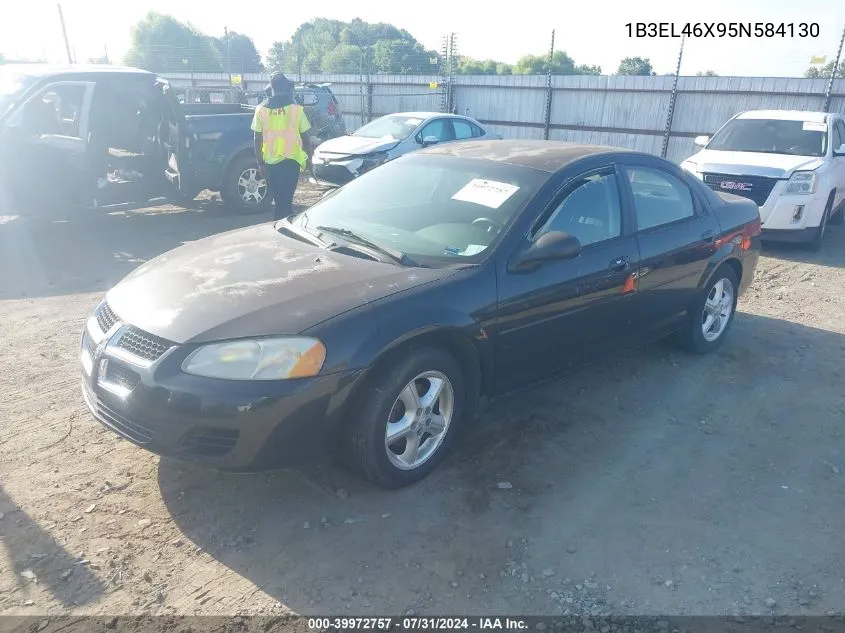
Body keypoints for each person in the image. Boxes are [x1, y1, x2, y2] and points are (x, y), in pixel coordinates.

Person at [251, 72, 313, 220]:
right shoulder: (296, 110)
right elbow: (306, 136)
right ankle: (282, 228)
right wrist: (309, 159)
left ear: (271, 88)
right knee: (285, 202)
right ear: (286, 88)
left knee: (279, 200)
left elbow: (257, 138)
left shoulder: (261, 110)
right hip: (292, 161)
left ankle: (282, 225)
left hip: (270, 162)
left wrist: (260, 162)